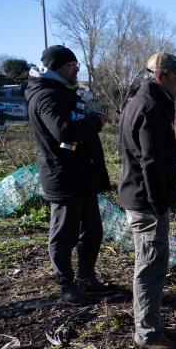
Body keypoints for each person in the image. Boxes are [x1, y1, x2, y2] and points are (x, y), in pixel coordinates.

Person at [118, 51, 176, 349]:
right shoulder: (152, 107)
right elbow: (150, 161)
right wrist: (159, 203)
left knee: (149, 262)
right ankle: (148, 333)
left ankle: (149, 322)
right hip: (147, 203)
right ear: (161, 76)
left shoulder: (142, 102)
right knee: (150, 266)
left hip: (140, 198)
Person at [25, 45, 111, 306]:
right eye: (74, 66)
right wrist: (97, 122)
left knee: (92, 231)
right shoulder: (45, 96)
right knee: (64, 235)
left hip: (84, 176)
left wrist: (96, 104)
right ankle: (66, 283)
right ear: (60, 67)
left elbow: (99, 108)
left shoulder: (70, 91)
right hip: (64, 178)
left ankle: (87, 277)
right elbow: (64, 131)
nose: (77, 70)